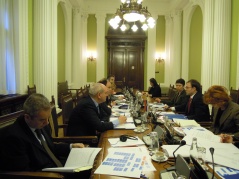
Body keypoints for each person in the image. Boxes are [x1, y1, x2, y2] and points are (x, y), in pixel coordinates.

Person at [0, 93, 89, 177]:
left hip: (56, 165)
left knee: (91, 167)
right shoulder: (14, 138)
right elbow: (25, 172)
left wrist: (71, 146)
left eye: (48, 118)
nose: (46, 123)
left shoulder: (40, 124)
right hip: (46, 175)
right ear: (27, 117)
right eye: (42, 120)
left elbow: (49, 147)